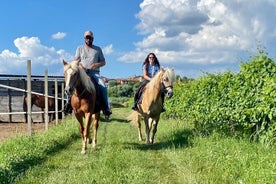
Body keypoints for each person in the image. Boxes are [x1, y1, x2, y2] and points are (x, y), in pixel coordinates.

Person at [65, 30, 112, 121]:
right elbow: (76, 61)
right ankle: (68, 105)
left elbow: (103, 62)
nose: (88, 39)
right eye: (87, 37)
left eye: (90, 37)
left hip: (94, 73)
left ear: (93, 38)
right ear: (84, 39)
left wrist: (96, 65)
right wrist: (80, 65)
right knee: (72, 84)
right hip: (82, 72)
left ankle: (106, 108)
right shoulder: (80, 48)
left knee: (102, 86)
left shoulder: (98, 49)